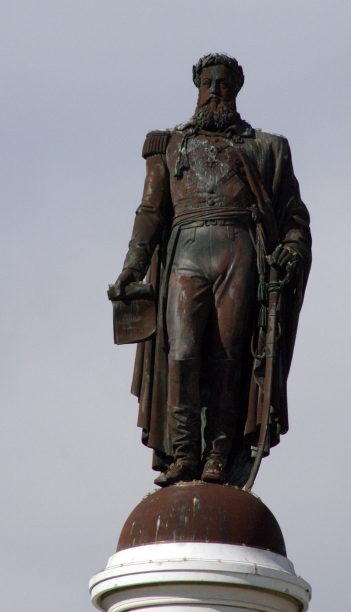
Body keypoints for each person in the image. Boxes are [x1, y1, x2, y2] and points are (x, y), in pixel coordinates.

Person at [113, 53, 311, 487]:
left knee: (229, 355)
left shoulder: (267, 148)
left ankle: (218, 454)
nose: (215, 91)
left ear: (236, 89)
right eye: (207, 83)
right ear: (197, 87)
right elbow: (150, 212)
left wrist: (291, 250)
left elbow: (293, 217)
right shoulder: (168, 144)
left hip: (238, 251)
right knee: (182, 351)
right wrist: (133, 266)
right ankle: (184, 452)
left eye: (223, 84)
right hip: (186, 248)